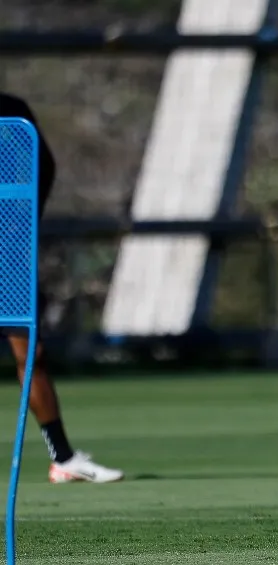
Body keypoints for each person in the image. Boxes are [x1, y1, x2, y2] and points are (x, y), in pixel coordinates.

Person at [0, 92, 124, 484]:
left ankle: (63, 458)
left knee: (30, 354)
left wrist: (20, 217)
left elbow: (43, 164)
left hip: (7, 252)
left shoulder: (12, 110)